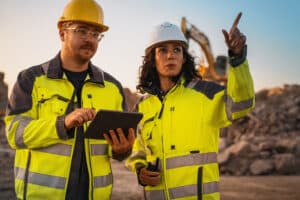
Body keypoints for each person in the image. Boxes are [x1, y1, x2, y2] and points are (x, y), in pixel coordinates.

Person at [5, 0, 134, 199]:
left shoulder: (112, 88)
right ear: (62, 33)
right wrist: (62, 124)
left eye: (95, 34)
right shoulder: (31, 79)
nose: (90, 39)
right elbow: (15, 134)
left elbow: (114, 149)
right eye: (82, 30)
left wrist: (122, 150)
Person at [126, 13, 255, 200]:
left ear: (184, 58)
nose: (170, 55)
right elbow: (136, 147)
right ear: (152, 59)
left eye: (177, 50)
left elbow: (242, 104)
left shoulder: (206, 94)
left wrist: (237, 59)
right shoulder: (142, 106)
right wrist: (139, 170)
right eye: (162, 50)